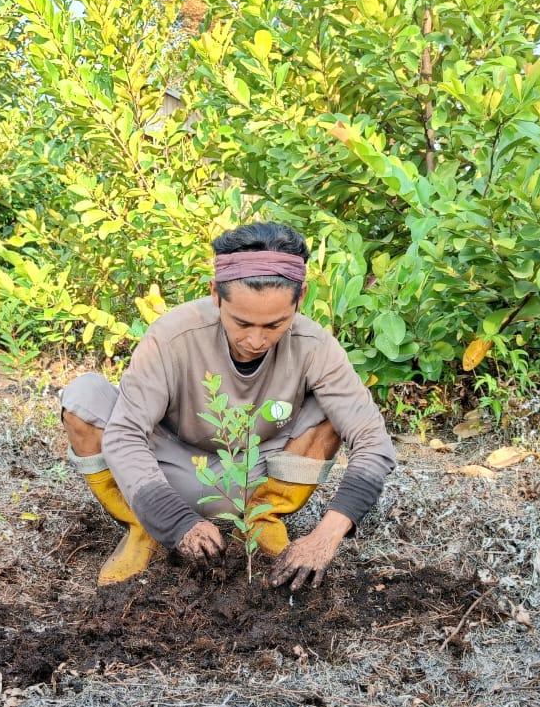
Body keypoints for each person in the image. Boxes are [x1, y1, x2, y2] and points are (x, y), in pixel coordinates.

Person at [60, 221, 397, 590]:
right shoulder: (172, 337)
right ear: (216, 295)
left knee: (333, 412)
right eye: (242, 322)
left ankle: (260, 523)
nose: (256, 340)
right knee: (83, 397)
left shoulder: (315, 346)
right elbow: (125, 436)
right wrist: (175, 522)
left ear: (300, 297)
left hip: (256, 476)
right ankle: (144, 529)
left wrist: (326, 536)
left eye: (275, 325)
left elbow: (373, 442)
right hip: (170, 473)